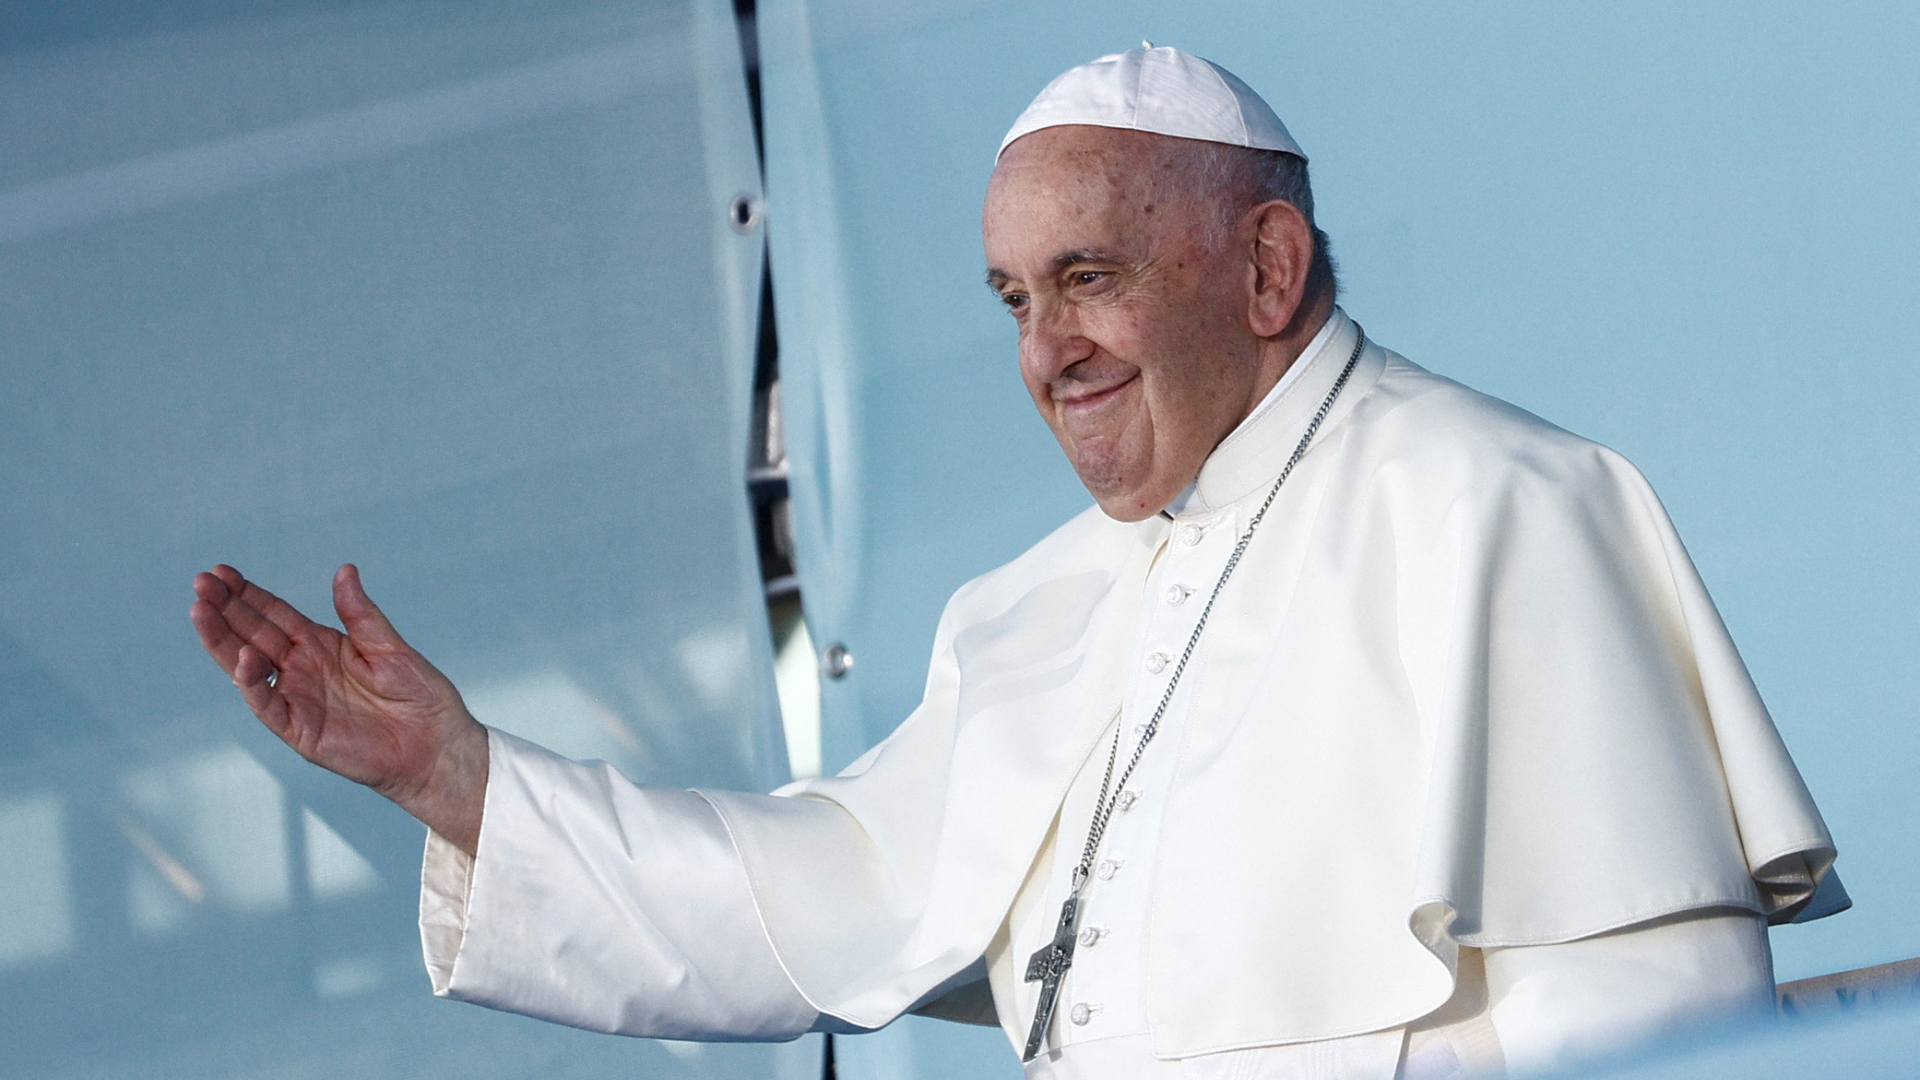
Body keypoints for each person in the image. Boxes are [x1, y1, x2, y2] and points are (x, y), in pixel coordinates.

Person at [190, 47, 1842, 1079]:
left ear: (1264, 266)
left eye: (1089, 277)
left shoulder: (1503, 507)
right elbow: (799, 913)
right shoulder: (1034, 610)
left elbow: (1654, 1034)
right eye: (1012, 300)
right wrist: (461, 781)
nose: (1046, 350)